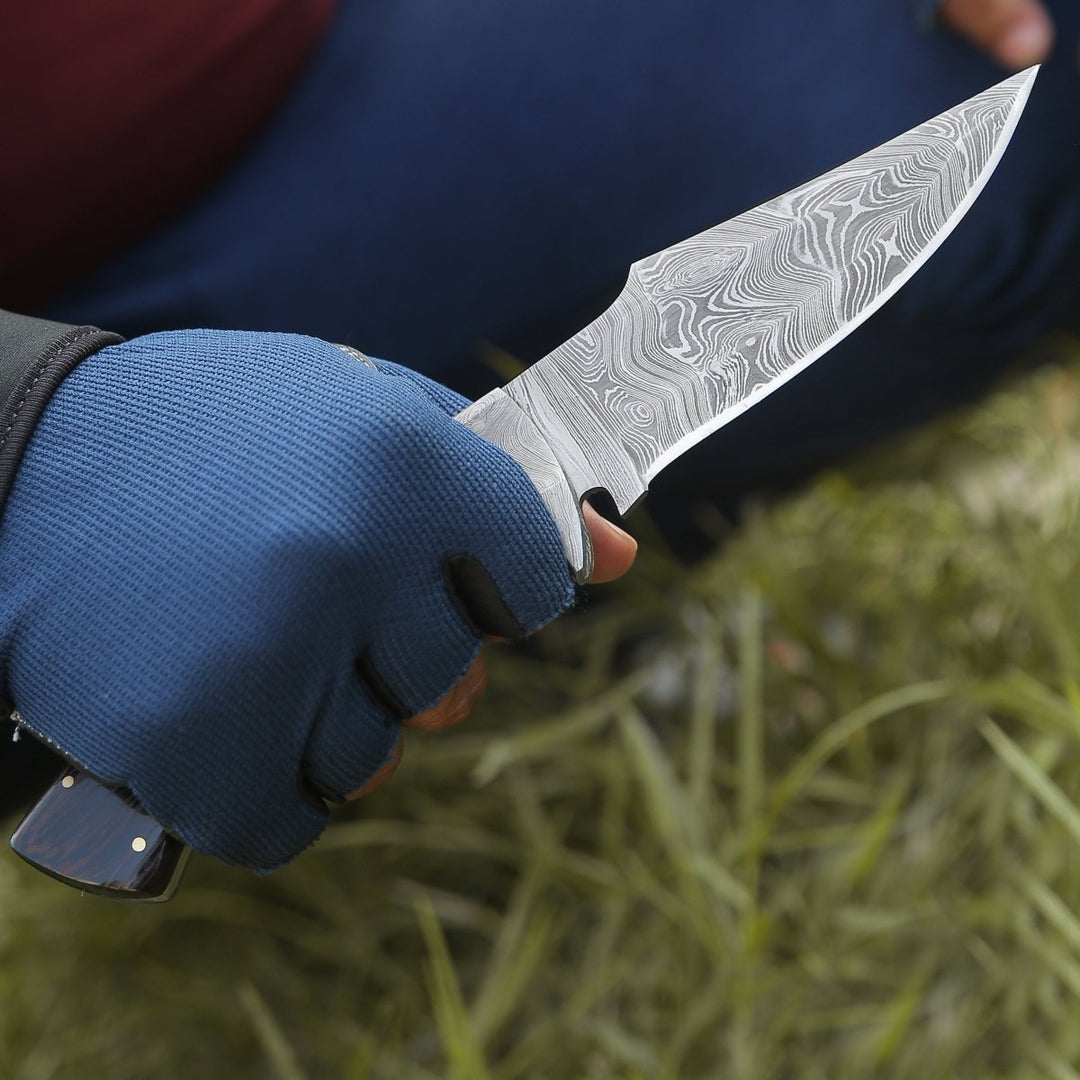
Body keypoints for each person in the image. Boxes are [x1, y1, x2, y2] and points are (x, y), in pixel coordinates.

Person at [0, 0, 1076, 872]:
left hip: (312, 62)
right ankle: (322, 675)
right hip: (72, 306)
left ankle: (497, 626)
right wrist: (29, 435)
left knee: (1034, 58)